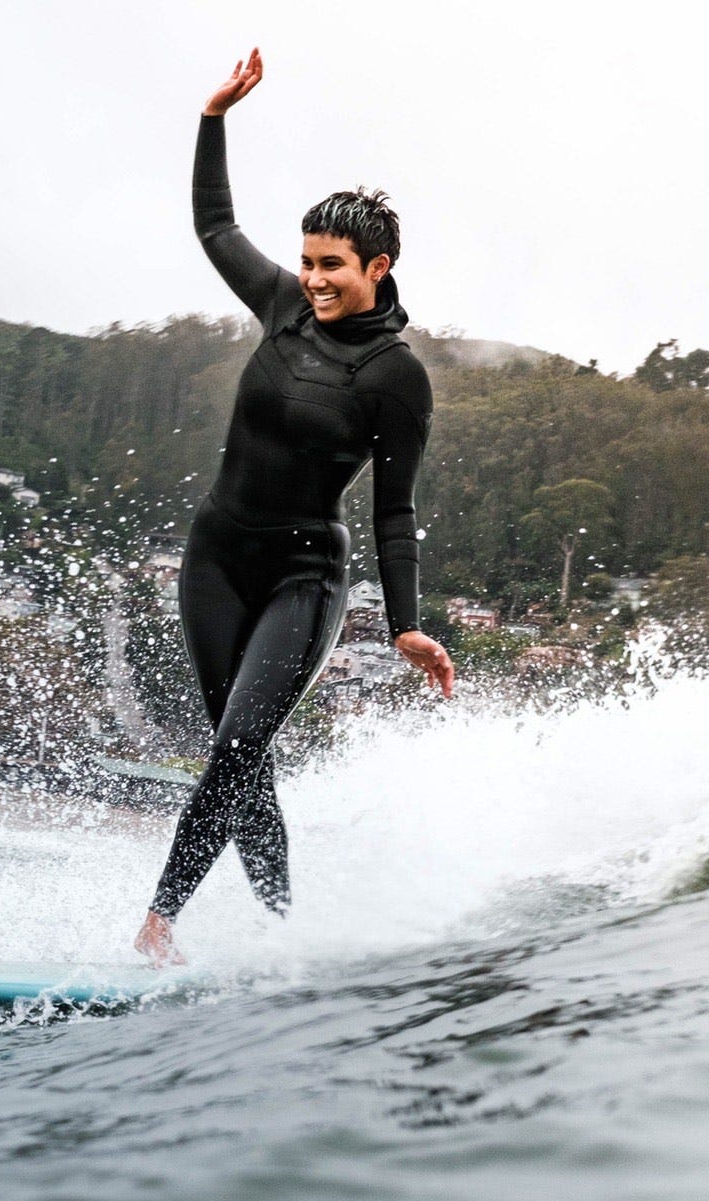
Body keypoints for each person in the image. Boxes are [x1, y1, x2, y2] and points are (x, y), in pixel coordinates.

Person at [136, 48, 455, 967]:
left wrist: (407, 625)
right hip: (215, 564)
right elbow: (214, 223)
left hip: (303, 577)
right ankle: (285, 937)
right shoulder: (280, 304)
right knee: (248, 761)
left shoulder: (396, 378)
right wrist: (213, 116)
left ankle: (159, 925)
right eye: (308, 261)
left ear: (378, 266)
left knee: (237, 747)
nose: (313, 280)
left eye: (334, 267)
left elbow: (394, 512)